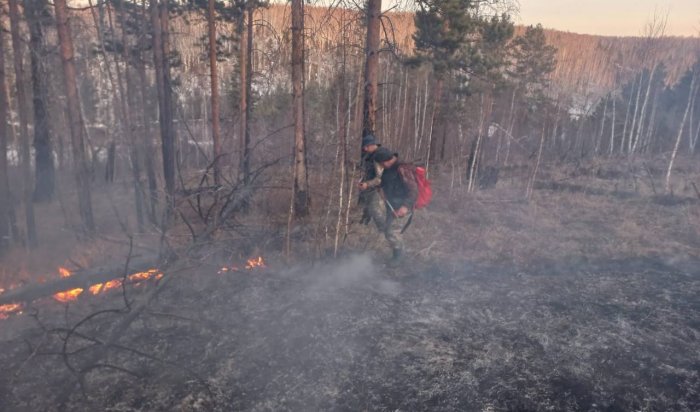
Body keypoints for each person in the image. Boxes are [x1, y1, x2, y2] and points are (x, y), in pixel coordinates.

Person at [372, 147, 418, 263]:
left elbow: (413, 190)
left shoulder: (402, 169)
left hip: (402, 206)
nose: (381, 167)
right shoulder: (389, 170)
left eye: (382, 164)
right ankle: (397, 254)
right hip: (392, 205)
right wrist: (381, 189)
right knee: (388, 230)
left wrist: (405, 207)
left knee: (392, 231)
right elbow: (385, 183)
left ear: (387, 160)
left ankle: (399, 258)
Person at [358, 134, 385, 230]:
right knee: (368, 208)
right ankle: (364, 226)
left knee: (376, 211)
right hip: (371, 189)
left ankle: (386, 232)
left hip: (379, 190)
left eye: (366, 146)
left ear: (372, 145)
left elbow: (379, 178)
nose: (365, 149)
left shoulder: (378, 157)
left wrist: (367, 184)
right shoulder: (371, 155)